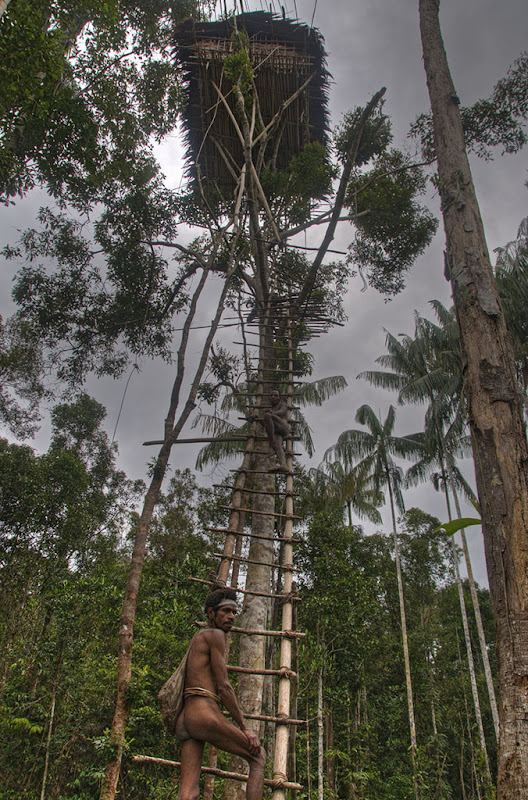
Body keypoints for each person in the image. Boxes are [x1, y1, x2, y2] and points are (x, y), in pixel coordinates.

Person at [175, 588, 266, 800]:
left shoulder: (199, 637)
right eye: (226, 611)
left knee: (188, 793)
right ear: (210, 614)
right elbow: (224, 687)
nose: (232, 617)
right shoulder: (215, 635)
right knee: (258, 757)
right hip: (204, 713)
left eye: (234, 612)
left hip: (186, 719)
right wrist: (245, 728)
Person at [261, 389, 290, 473]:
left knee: (267, 415)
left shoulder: (282, 404)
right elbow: (267, 425)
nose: (273, 397)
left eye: (275, 395)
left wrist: (272, 414)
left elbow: (282, 412)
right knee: (277, 447)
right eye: (271, 395)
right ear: (269, 397)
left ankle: (271, 442)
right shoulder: (270, 409)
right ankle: (284, 465)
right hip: (276, 431)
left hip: (283, 427)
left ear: (279, 397)